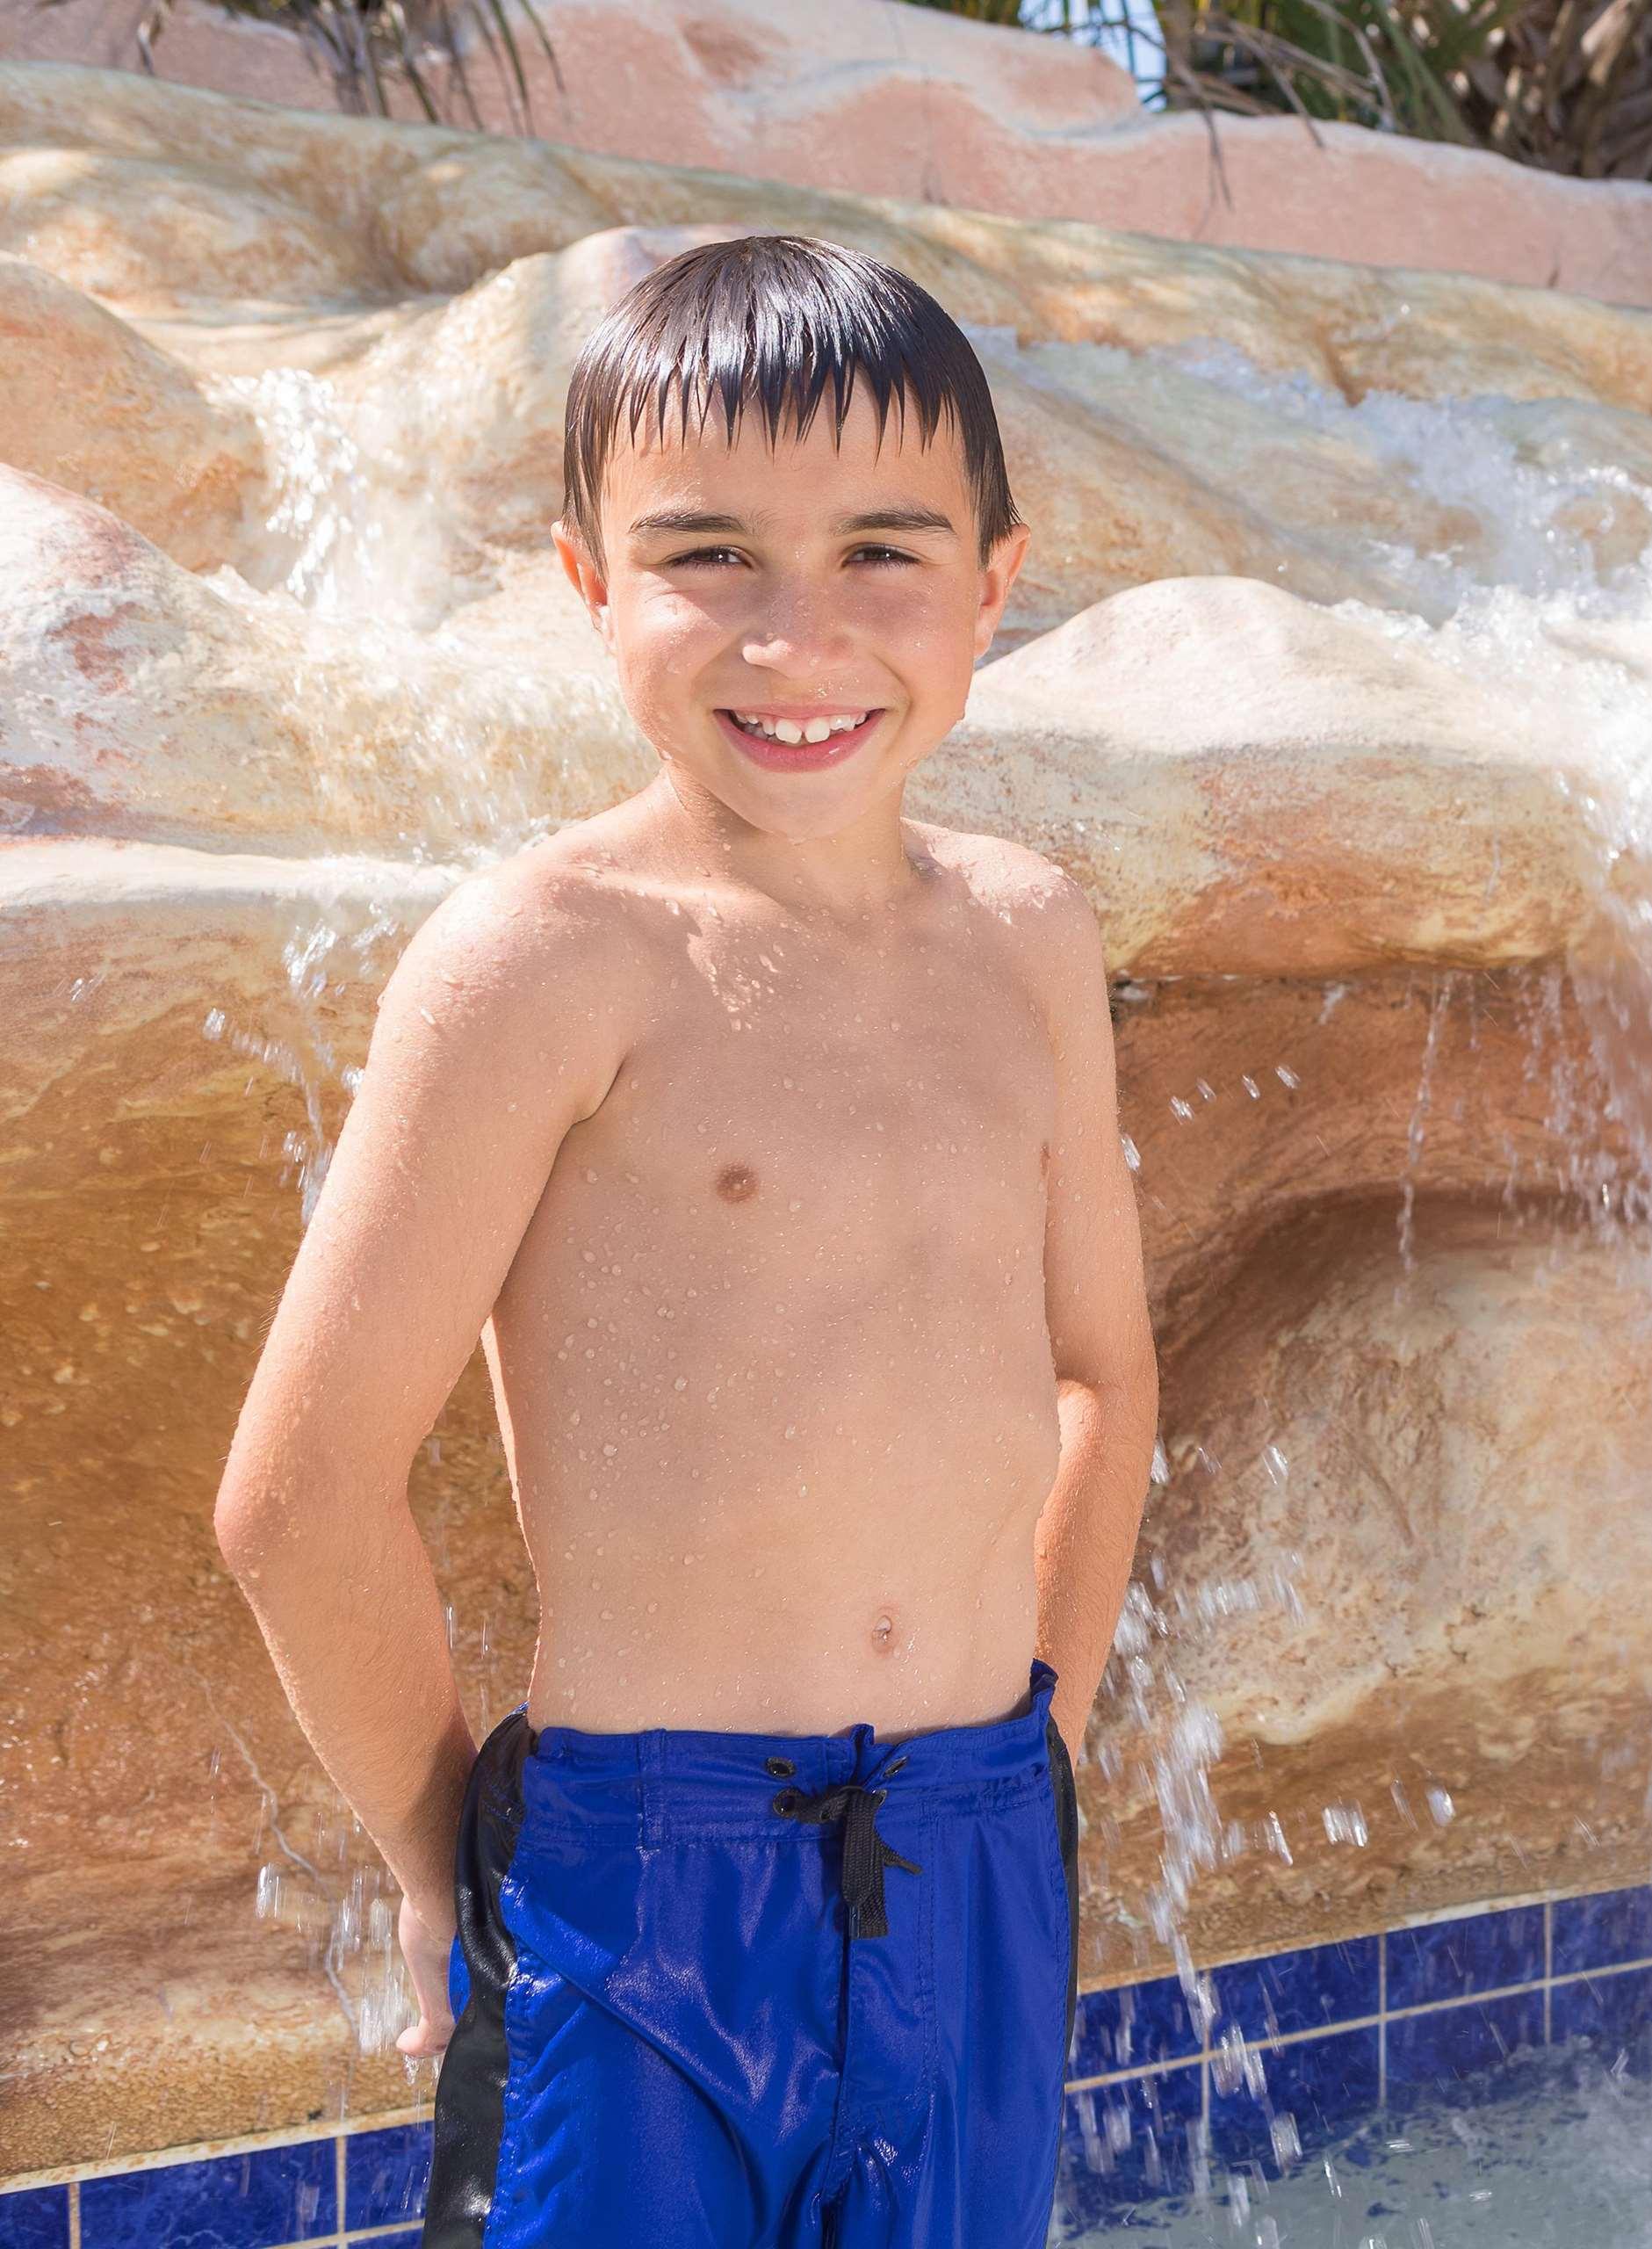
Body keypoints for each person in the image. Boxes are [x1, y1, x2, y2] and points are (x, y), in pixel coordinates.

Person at [211, 235, 1158, 2248]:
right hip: (645, 1872)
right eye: (710, 554)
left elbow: (1104, 1366)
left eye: (882, 554)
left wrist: (1045, 1725)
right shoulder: (544, 962)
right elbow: (295, 1491)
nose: (796, 638)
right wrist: (440, 1846)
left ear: (998, 579)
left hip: (976, 1830)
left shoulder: (1029, 936)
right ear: (590, 584)